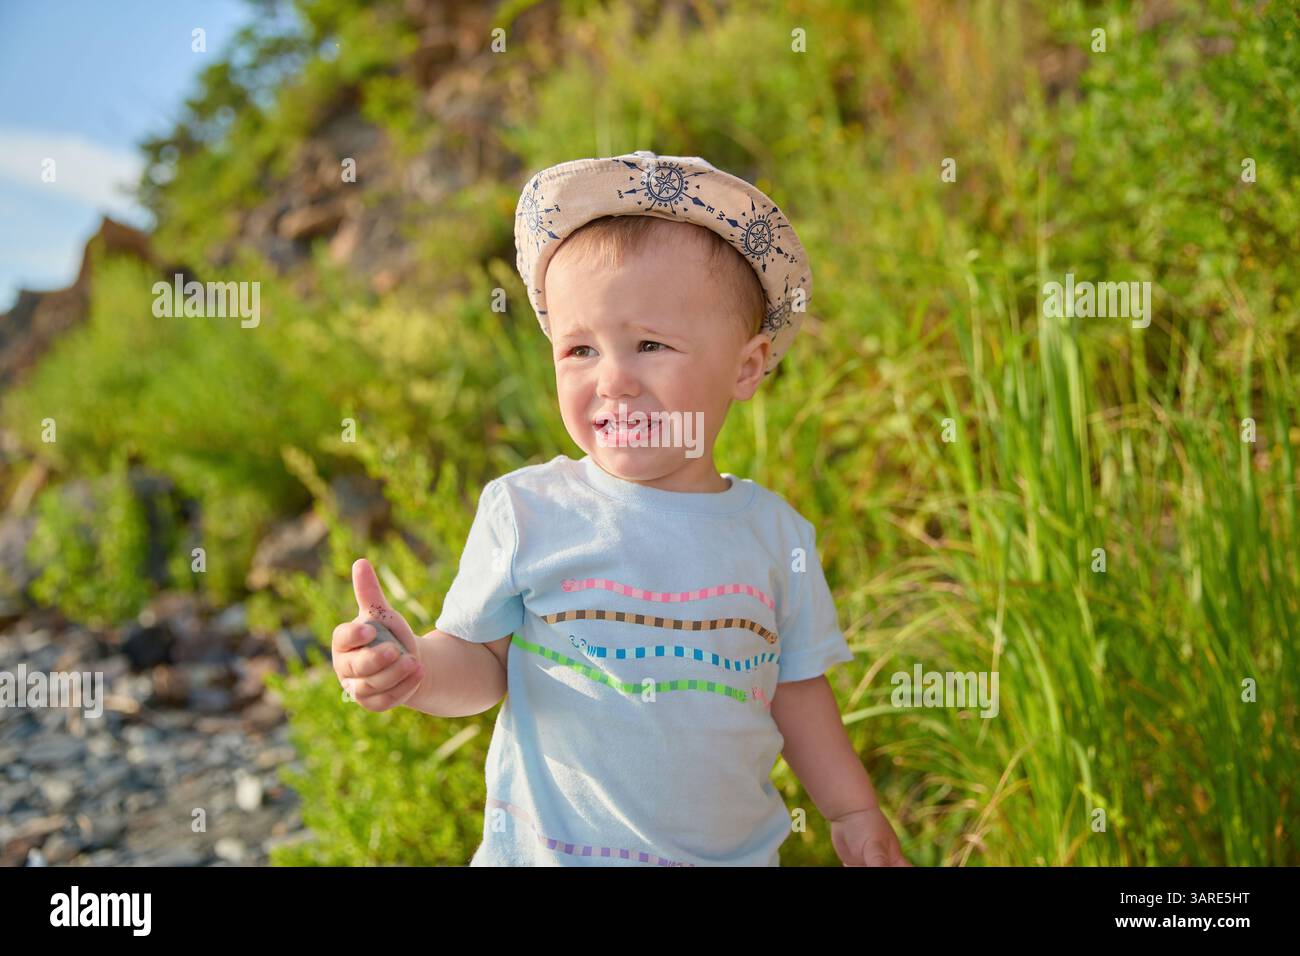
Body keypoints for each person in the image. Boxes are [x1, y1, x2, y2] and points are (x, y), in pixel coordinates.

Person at [332, 151, 909, 867]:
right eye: (578, 350)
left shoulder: (774, 537)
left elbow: (796, 690)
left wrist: (852, 810)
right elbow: (484, 663)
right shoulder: (529, 511)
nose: (613, 380)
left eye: (650, 345)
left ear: (747, 366)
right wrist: (413, 666)